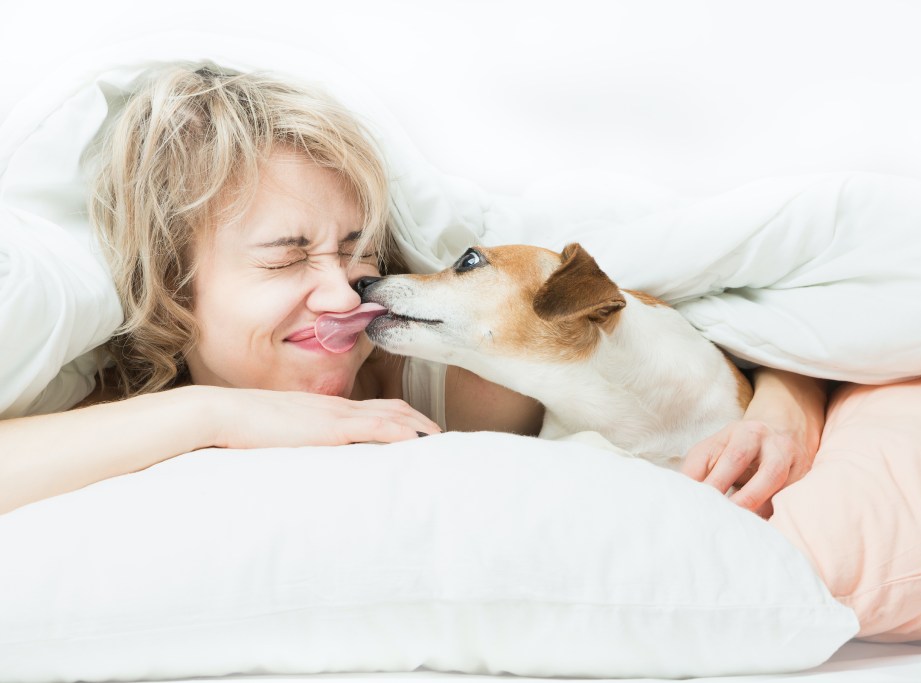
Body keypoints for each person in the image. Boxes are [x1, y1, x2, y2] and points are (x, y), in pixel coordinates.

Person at [0, 63, 827, 517]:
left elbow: (740, 314)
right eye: (287, 259)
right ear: (173, 284)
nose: (341, 297)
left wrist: (788, 399)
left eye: (352, 250)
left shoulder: (454, 381)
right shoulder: (100, 404)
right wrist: (212, 415)